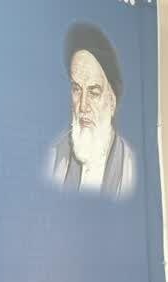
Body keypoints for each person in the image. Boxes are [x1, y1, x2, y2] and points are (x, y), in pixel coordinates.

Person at [46, 22, 136, 200]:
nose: (82, 106)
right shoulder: (54, 159)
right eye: (77, 89)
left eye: (94, 92)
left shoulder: (130, 169)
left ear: (112, 101)